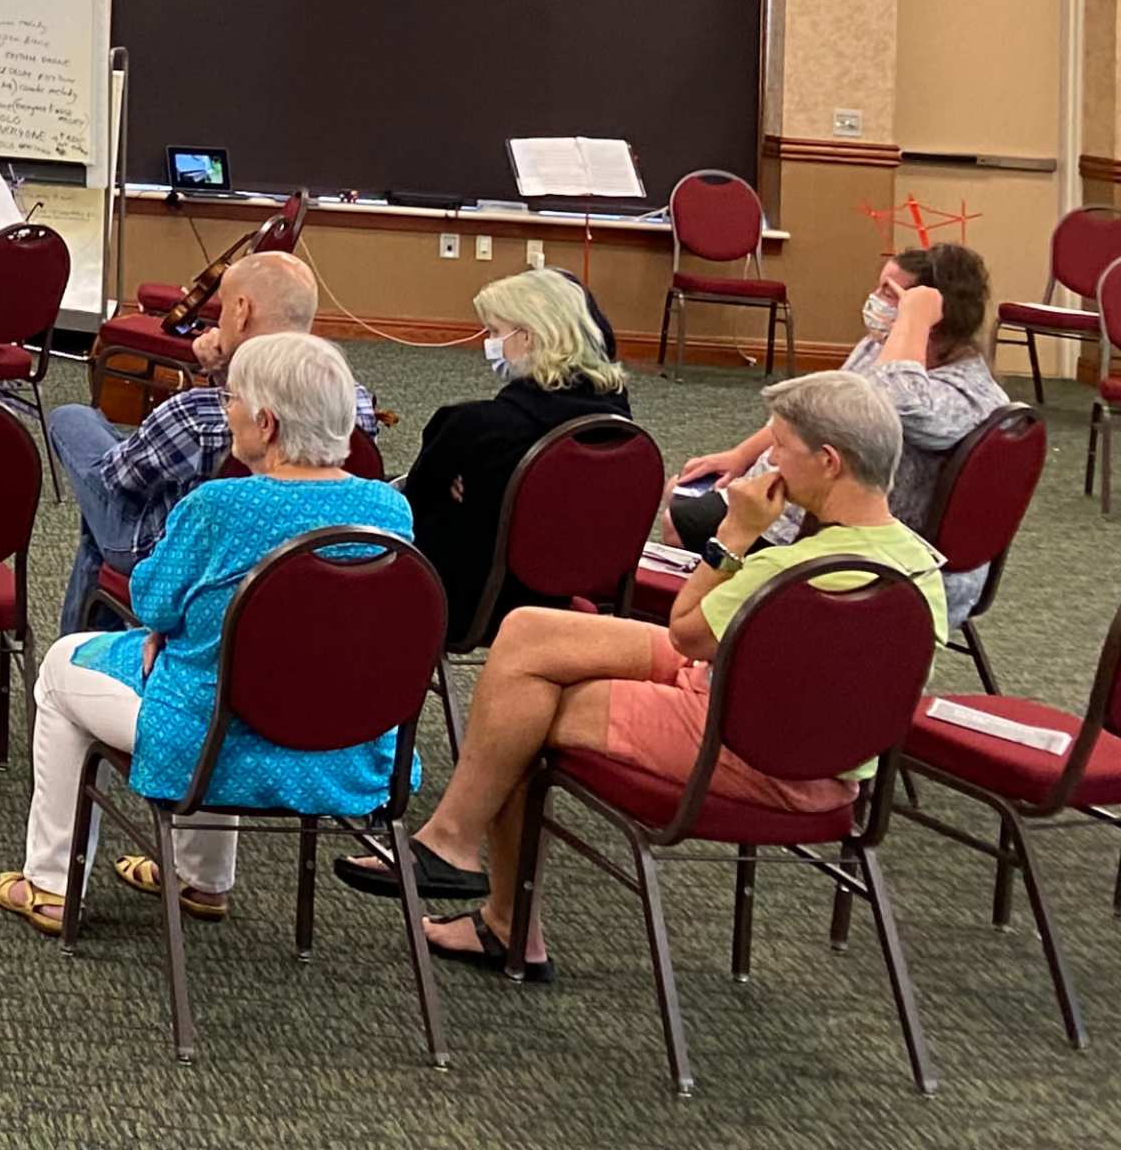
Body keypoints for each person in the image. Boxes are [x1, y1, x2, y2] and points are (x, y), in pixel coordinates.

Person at [352, 369, 950, 980]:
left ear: (828, 461)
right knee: (528, 632)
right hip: (796, 732)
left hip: (747, 750)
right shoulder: (916, 563)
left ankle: (497, 909)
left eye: (781, 446)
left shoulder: (789, 574)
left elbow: (686, 630)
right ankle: (453, 844)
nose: (767, 459)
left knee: (523, 713)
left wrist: (733, 536)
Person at [0, 332, 412, 935]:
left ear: (265, 423)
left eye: (232, 399)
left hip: (212, 739)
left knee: (63, 668)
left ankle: (52, 884)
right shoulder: (388, 510)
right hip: (345, 744)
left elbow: (151, 601)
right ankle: (200, 879)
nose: (226, 410)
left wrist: (171, 627)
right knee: (229, 670)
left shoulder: (219, 505)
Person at [671, 243, 1014, 617]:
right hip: (805, 500)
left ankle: (713, 635)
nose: (875, 301)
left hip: (860, 549)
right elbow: (815, 408)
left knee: (679, 519)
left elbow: (892, 398)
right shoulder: (880, 348)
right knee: (680, 493)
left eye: (891, 293)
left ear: (929, 310)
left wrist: (913, 320)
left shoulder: (966, 396)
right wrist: (740, 456)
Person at [46, 251, 365, 634]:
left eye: (225, 307)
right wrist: (224, 374)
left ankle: (72, 656)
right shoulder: (355, 404)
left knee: (73, 423)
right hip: (310, 556)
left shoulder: (196, 415)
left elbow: (122, 480)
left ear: (242, 311)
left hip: (178, 556)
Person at [401, 268, 637, 648]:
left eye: (495, 332)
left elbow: (415, 502)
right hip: (575, 592)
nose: (489, 343)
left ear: (526, 337)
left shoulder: (472, 426)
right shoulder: (618, 421)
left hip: (479, 605)